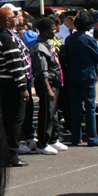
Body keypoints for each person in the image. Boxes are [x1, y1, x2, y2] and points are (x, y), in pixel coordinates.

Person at [0, 4, 31, 166]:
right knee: (14, 121)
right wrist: (23, 88)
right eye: (14, 16)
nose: (17, 18)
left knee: (7, 120)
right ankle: (11, 156)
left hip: (4, 83)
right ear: (7, 21)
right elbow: (15, 64)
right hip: (11, 84)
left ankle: (4, 154)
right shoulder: (7, 37)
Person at [65, 12, 98, 147]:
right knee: (90, 107)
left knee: (75, 107)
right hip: (87, 75)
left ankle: (76, 137)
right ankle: (92, 137)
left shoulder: (69, 39)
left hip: (72, 75)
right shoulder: (89, 40)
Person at [30, 18, 67, 155]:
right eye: (52, 29)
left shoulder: (47, 44)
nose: (55, 31)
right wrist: (48, 89)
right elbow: (42, 72)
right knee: (46, 112)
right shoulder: (39, 48)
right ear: (45, 32)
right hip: (47, 84)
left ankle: (53, 138)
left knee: (53, 113)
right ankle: (43, 143)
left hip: (54, 83)